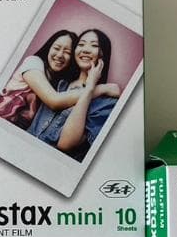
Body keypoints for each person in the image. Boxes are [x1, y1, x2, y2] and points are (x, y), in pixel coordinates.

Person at [27, 29, 121, 158]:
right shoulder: (58, 81)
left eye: (94, 45)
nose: (85, 50)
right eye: (81, 44)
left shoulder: (106, 103)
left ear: (103, 54)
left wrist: (90, 88)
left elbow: (65, 144)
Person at [0, 30, 79, 129]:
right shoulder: (33, 62)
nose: (59, 55)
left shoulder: (60, 84)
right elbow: (54, 100)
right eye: (56, 48)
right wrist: (90, 91)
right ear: (49, 48)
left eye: (67, 52)